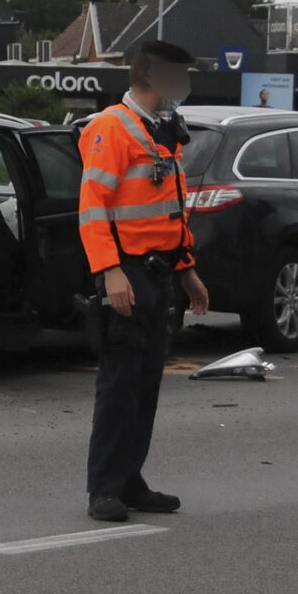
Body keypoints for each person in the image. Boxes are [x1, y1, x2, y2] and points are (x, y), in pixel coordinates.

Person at [78, 40, 210, 522]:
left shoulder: (160, 130)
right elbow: (93, 209)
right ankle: (104, 490)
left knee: (146, 381)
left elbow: (169, 212)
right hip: (127, 272)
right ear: (154, 78)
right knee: (119, 384)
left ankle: (130, 480)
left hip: (160, 272)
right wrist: (110, 270)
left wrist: (188, 272)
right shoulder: (111, 128)